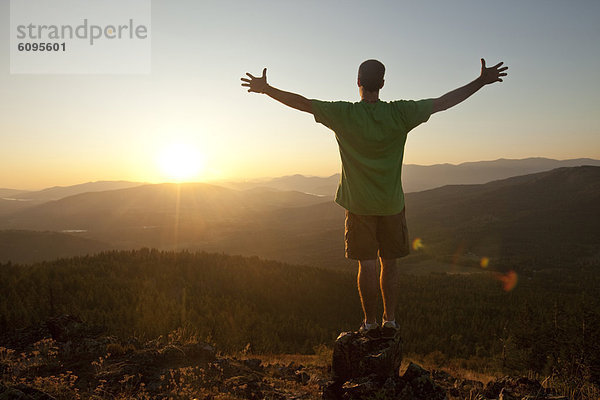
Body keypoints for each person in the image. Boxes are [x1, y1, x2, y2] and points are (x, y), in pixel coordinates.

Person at [241, 58, 508, 339]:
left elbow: (303, 103)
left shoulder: (343, 114)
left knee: (366, 264)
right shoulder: (401, 113)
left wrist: (267, 89)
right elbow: (443, 102)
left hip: (358, 207)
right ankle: (390, 321)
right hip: (392, 205)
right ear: (382, 84)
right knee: (389, 263)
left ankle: (369, 324)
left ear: (358, 82)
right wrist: (480, 81)